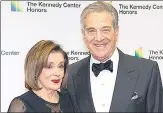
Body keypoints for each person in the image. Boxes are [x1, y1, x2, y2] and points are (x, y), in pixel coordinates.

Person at [67, 1, 163, 112]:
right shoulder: (70, 74)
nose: (98, 38)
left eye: (105, 30)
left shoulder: (147, 71)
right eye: (91, 31)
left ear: (116, 32)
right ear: (84, 35)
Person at [8, 40, 74, 112]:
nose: (57, 73)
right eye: (49, 66)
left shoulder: (69, 100)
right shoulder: (21, 105)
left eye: (61, 66)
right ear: (35, 69)